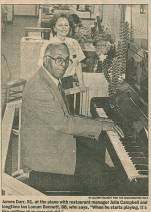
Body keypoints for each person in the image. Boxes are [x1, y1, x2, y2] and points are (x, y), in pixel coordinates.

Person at [20, 42, 115, 194]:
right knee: (102, 177)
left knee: (97, 158)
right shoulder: (40, 88)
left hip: (53, 144)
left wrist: (94, 122)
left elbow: (65, 116)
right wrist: (99, 126)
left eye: (66, 60)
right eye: (59, 59)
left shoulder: (48, 78)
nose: (63, 65)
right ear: (46, 59)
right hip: (45, 158)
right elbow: (64, 123)